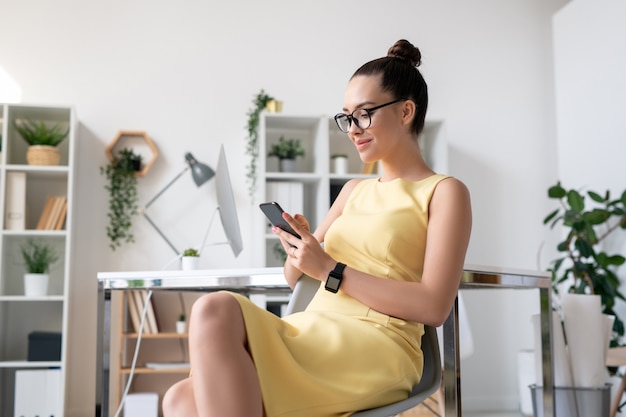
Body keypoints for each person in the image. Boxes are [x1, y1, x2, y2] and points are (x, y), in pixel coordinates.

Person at [162, 39, 472, 417]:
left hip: (377, 343)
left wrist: (329, 269)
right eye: (347, 117)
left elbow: (434, 306)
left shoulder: (444, 192)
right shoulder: (353, 190)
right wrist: (302, 244)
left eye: (364, 114)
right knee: (179, 396)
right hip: (313, 327)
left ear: (406, 111)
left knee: (213, 313)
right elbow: (296, 277)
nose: (353, 129)